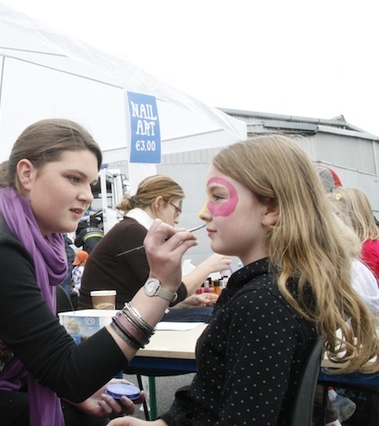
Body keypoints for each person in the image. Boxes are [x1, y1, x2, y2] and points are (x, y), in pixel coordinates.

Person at [0, 118, 199, 426]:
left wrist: (73, 392)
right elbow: (69, 373)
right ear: (27, 174)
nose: (87, 195)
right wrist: (158, 287)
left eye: (91, 183)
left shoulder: (33, 245)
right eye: (74, 179)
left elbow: (58, 369)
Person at [108, 134, 379, 426]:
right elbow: (212, 398)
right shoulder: (273, 291)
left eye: (218, 197)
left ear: (271, 209)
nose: (203, 212)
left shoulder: (262, 305)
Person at [78, 174, 231, 322]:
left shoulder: (129, 229)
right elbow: (172, 292)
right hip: (112, 319)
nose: (177, 220)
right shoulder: (133, 232)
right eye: (176, 210)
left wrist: (183, 305)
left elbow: (158, 295)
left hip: (120, 314)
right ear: (159, 203)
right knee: (213, 316)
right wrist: (208, 266)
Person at [329, 187, 379, 282]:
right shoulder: (371, 244)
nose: (333, 221)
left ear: (355, 216)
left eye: (338, 215)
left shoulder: (365, 251)